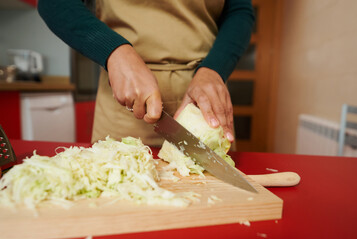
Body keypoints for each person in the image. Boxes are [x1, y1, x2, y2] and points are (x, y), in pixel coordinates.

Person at [38, 0, 254, 146]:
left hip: (205, 105)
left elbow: (239, 11)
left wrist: (215, 69)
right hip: (124, 108)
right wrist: (113, 50)